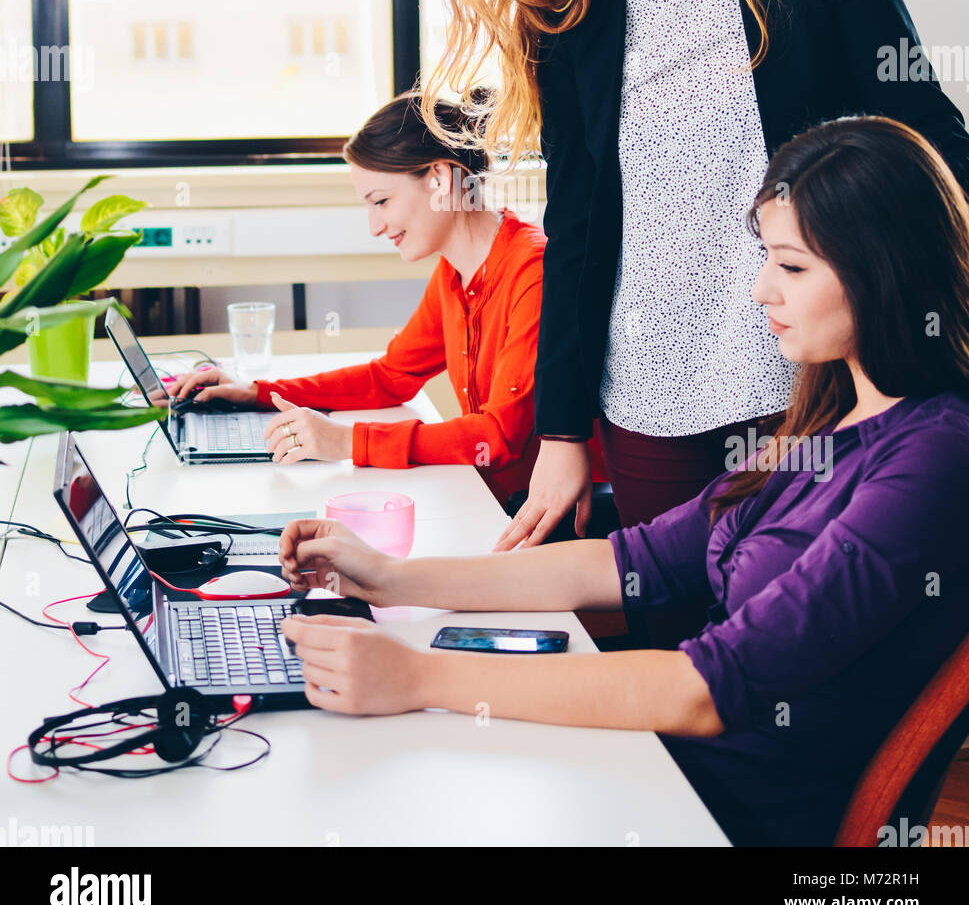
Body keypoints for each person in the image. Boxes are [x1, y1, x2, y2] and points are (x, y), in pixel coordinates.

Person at [278, 116, 969, 848]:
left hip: (715, 809)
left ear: (882, 268)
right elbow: (627, 560)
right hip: (662, 765)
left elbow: (709, 688)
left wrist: (419, 679)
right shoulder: (825, 419)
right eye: (765, 258)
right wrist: (389, 578)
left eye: (791, 267)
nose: (761, 288)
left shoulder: (933, 456)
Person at [420, 0, 969, 562]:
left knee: (806, 646)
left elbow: (926, 134)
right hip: (651, 402)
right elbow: (574, 231)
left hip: (819, 384)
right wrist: (562, 434)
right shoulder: (565, 21)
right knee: (670, 642)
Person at [168, 91, 609, 509]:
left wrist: (346, 441)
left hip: (548, 519)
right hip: (487, 500)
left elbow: (498, 436)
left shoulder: (533, 270)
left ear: (440, 178)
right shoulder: (455, 271)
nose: (375, 226)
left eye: (381, 201)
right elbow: (390, 376)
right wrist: (259, 392)